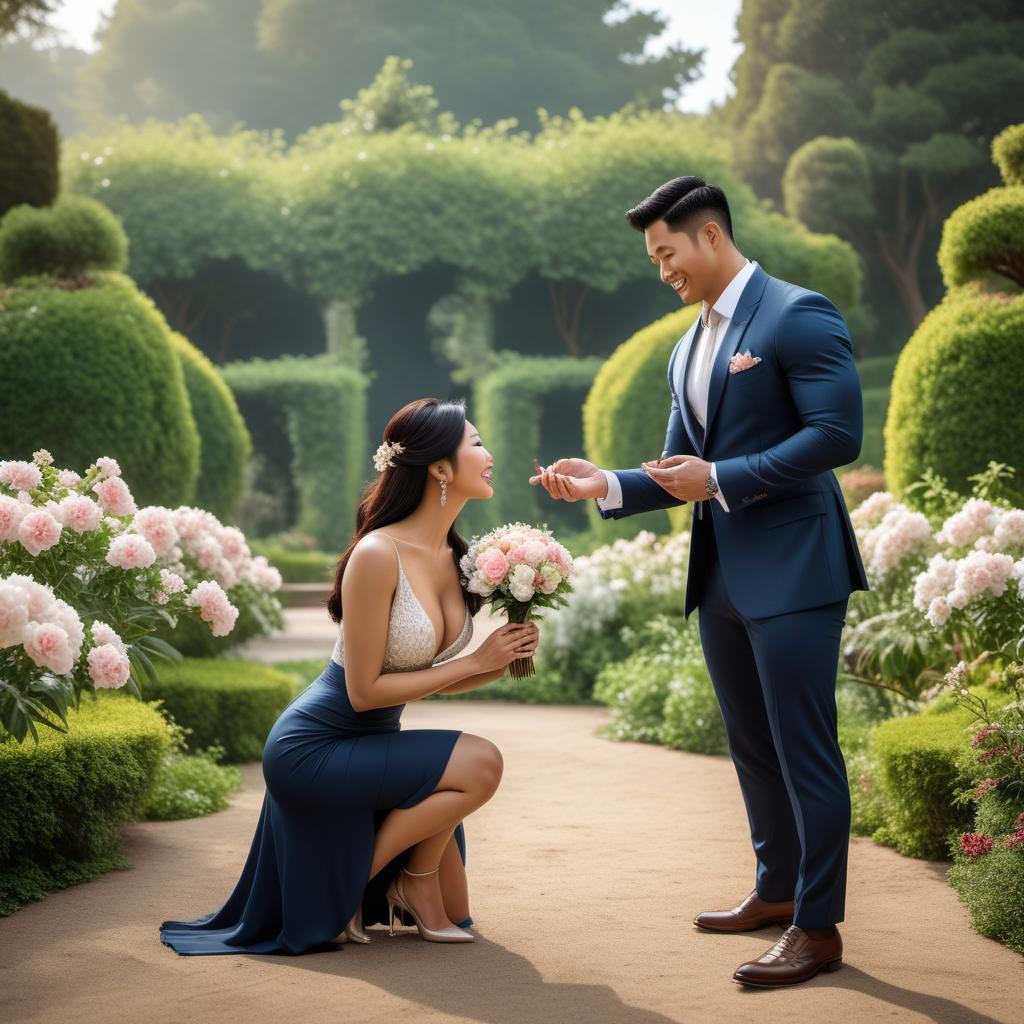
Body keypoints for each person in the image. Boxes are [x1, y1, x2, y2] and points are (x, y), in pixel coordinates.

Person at [531, 176, 869, 988]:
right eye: (653, 258)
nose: (663, 271)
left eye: (666, 253)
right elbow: (677, 470)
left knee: (804, 752)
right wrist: (605, 485)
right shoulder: (687, 345)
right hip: (719, 576)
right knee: (752, 749)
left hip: (794, 570)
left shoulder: (798, 313)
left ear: (710, 235)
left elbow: (837, 434)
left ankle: (817, 929)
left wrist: (720, 474)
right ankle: (775, 889)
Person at [160, 398, 539, 955]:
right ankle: (365, 888)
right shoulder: (377, 554)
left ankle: (406, 884)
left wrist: (495, 661)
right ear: (438, 467)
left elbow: (436, 677)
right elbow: (364, 693)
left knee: (457, 910)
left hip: (371, 746)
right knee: (482, 762)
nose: (489, 454)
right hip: (314, 748)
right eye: (476, 442)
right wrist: (472, 662)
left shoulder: (458, 559)